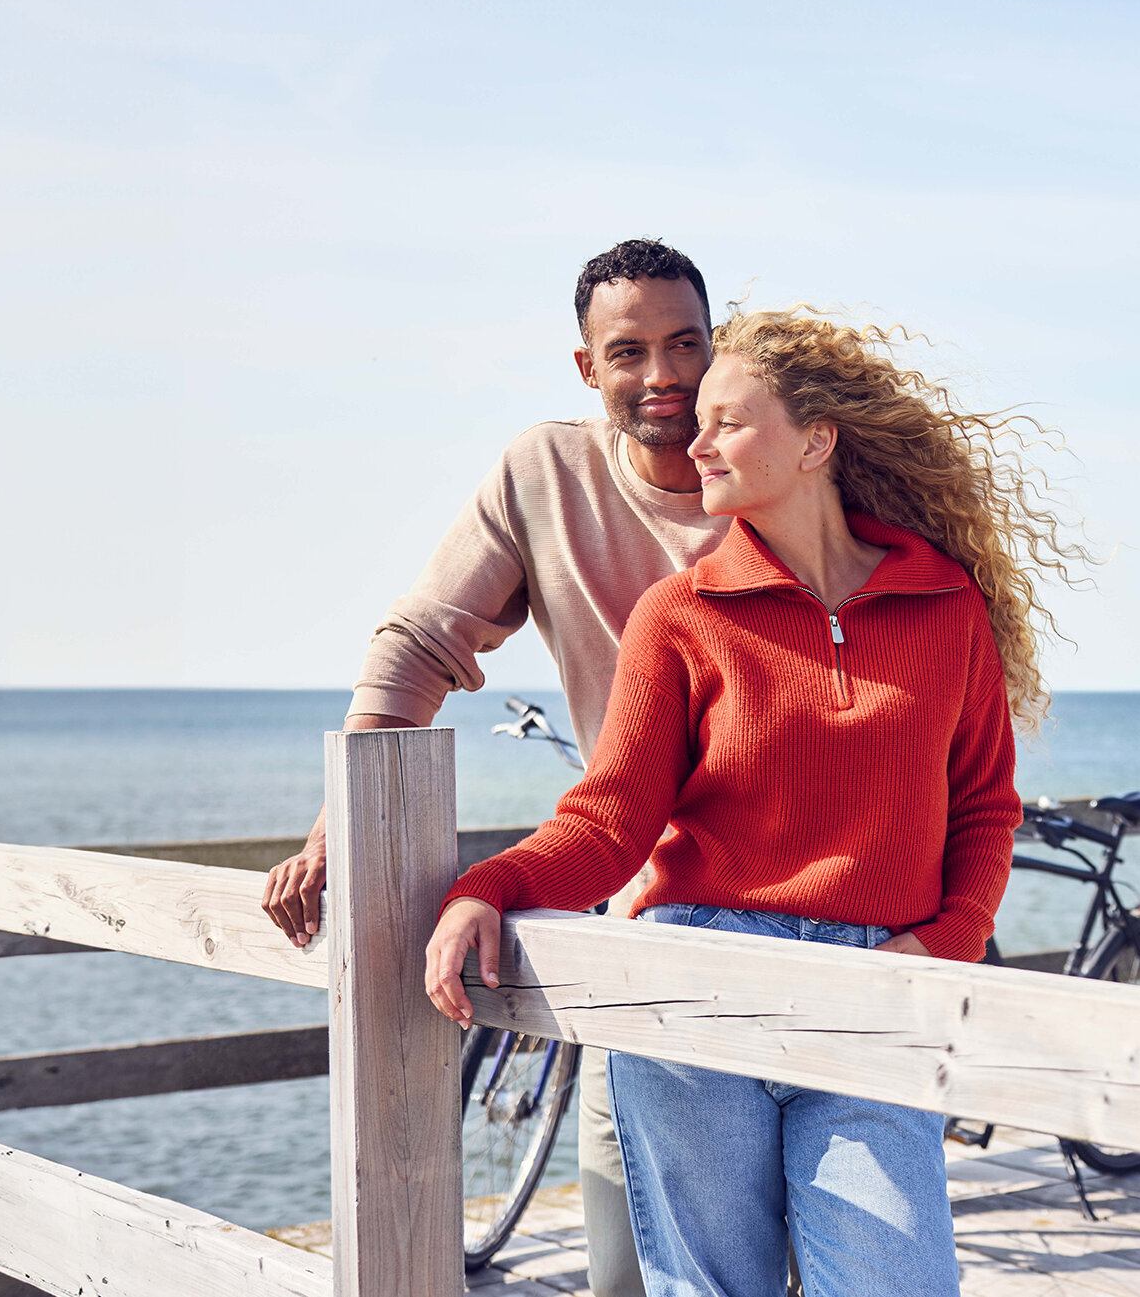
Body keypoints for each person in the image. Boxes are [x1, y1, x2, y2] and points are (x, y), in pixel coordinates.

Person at [418, 306, 1077, 1297]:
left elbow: (984, 808)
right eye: (702, 424)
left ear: (815, 442)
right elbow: (609, 820)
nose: (697, 441)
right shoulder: (680, 616)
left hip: (874, 994)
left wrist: (943, 946)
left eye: (728, 419)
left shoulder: (947, 607)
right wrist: (490, 885)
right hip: (697, 987)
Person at [260, 238, 728, 1297]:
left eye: (687, 343)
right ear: (587, 369)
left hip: (802, 912)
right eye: (630, 351)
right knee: (627, 1271)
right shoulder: (547, 473)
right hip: (646, 907)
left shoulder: (779, 472)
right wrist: (347, 823)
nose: (664, 376)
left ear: (720, 344)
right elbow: (424, 638)